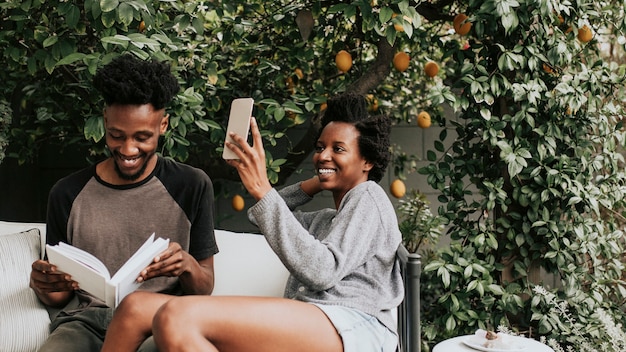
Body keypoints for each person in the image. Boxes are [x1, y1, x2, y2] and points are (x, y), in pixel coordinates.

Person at [102, 92, 404, 352]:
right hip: (318, 319)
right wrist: (318, 179)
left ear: (367, 162)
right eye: (320, 148)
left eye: (338, 149)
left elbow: (322, 272)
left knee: (175, 317)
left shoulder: (369, 197)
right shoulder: (327, 220)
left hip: (353, 326)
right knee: (135, 308)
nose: (323, 155)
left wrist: (263, 187)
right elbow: (261, 218)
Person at [29, 54, 218, 352]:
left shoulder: (191, 185)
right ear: (105, 121)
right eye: (116, 135)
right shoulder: (66, 193)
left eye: (143, 137)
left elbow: (204, 287)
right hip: (85, 322)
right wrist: (45, 286)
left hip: (158, 322)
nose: (128, 149)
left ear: (163, 125)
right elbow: (59, 297)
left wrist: (187, 265)